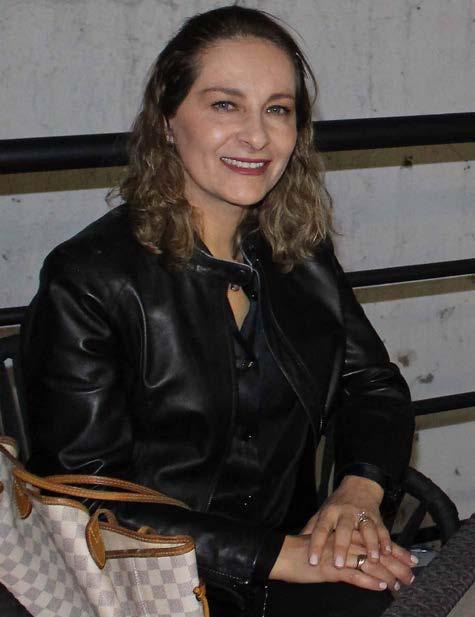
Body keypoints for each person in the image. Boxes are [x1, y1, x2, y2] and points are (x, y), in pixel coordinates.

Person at [21, 5, 416, 617]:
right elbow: (84, 500)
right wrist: (280, 556)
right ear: (167, 120)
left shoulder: (298, 250)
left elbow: (373, 386)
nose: (257, 136)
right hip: (147, 587)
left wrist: (357, 492)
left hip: (296, 564)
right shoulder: (90, 279)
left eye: (277, 109)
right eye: (226, 105)